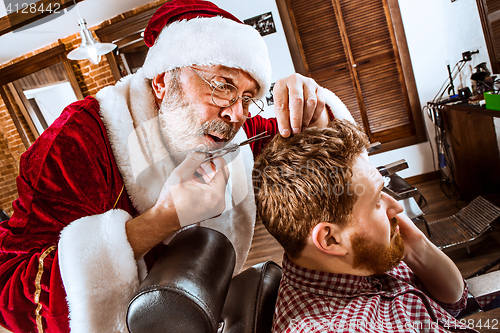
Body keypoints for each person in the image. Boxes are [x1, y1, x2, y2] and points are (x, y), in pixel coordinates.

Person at [0, 0, 354, 332]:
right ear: (162, 81)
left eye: (247, 98)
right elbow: (11, 294)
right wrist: (164, 218)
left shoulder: (234, 129)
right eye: (222, 86)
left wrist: (312, 100)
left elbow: (313, 138)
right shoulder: (80, 139)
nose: (235, 114)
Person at [252, 120, 477, 333]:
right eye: (378, 200)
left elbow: (453, 305)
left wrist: (416, 247)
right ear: (330, 239)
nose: (397, 207)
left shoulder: (356, 255)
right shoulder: (340, 326)